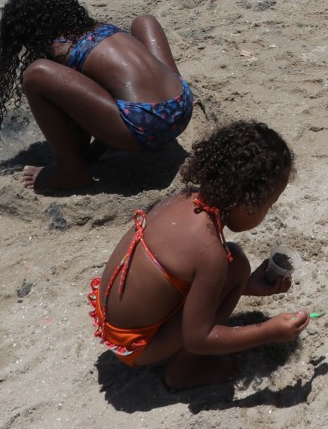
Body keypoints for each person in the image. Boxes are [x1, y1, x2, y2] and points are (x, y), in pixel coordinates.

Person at [86, 120, 307, 387]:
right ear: (247, 202)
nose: (266, 213)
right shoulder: (209, 250)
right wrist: (268, 331)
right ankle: (185, 370)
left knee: (236, 265)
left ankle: (182, 357)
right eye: (267, 206)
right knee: (232, 263)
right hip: (136, 347)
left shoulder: (184, 198)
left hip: (111, 324)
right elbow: (198, 339)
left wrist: (245, 287)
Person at [0, 0, 196, 194]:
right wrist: (96, 150)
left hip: (146, 127)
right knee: (144, 21)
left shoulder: (60, 50)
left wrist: (78, 155)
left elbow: (79, 116)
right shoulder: (99, 28)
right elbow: (100, 100)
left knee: (35, 73)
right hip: (182, 106)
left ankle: (71, 172)